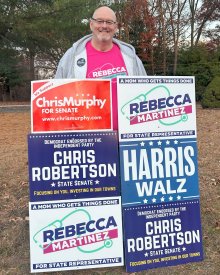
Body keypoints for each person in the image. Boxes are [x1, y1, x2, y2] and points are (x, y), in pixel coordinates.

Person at [55, 6, 147, 130]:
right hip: (87, 136)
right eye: (99, 21)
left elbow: (145, 93)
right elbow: (57, 95)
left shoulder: (131, 57)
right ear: (91, 24)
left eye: (109, 22)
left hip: (126, 135)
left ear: (116, 27)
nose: (104, 26)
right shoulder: (72, 56)